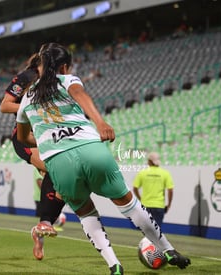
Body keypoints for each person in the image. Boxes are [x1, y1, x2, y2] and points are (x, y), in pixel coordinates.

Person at [16, 44, 190, 274]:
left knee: (86, 213)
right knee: (129, 204)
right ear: (65, 67)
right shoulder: (67, 80)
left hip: (59, 161)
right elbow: (80, 94)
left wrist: (47, 139)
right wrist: (100, 122)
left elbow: (22, 138)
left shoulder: (28, 97)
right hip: (90, 148)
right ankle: (167, 249)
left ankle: (114, 265)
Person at [0, 44, 65, 261]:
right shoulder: (27, 76)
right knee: (57, 170)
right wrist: (30, 106)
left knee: (62, 180)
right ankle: (45, 222)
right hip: (26, 137)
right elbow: (5, 105)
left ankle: (42, 229)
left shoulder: (54, 81)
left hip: (49, 136)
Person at [133, 152, 174, 227]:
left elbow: (135, 188)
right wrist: (169, 205)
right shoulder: (165, 173)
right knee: (156, 231)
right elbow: (170, 190)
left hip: (145, 204)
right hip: (159, 205)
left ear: (149, 161)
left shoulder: (142, 173)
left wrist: (140, 198)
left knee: (146, 230)